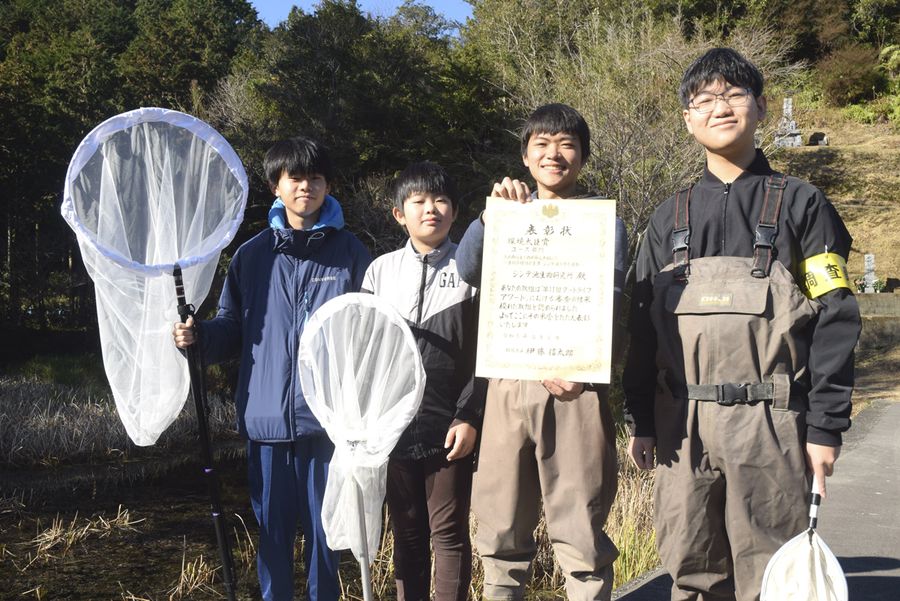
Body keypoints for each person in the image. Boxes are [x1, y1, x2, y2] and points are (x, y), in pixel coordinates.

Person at [623, 48, 861, 601]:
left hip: (771, 422)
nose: (720, 107)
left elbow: (836, 316)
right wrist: (640, 417)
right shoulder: (666, 217)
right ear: (687, 119)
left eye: (734, 95)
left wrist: (825, 426)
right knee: (689, 566)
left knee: (771, 573)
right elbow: (642, 327)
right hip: (681, 422)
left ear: (760, 107)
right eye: (704, 99)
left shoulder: (803, 204)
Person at [173, 136, 372, 601]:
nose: (306, 186)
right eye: (295, 178)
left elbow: (371, 334)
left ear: (329, 186)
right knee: (273, 535)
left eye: (316, 178)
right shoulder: (252, 255)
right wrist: (198, 338)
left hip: (329, 424)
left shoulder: (351, 253)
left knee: (327, 538)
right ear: (275, 186)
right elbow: (231, 328)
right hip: (265, 424)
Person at [455, 103, 628, 601]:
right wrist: (490, 217)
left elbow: (611, 303)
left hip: (576, 390)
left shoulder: (602, 221)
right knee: (501, 528)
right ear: (526, 157)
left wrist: (587, 369)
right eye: (543, 145)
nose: (555, 154)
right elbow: (468, 271)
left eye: (567, 145)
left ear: (584, 157)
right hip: (508, 383)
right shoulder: (507, 213)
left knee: (580, 530)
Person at [360, 161, 485, 601]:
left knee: (448, 533)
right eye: (418, 201)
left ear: (454, 211)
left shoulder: (472, 272)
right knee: (407, 535)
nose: (430, 209)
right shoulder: (379, 272)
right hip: (393, 426)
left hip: (449, 426)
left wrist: (469, 415)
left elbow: (483, 354)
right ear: (399, 214)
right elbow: (368, 354)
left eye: (441, 200)